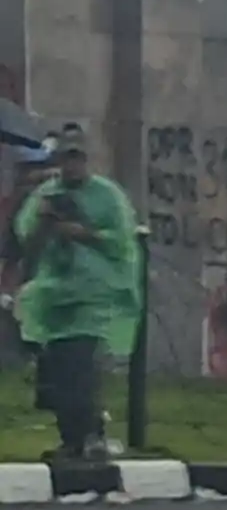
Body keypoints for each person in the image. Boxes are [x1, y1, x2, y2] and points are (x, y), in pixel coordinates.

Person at [11, 129, 140, 465]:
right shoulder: (46, 195)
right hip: (54, 296)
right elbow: (26, 240)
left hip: (95, 293)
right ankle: (70, 439)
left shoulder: (108, 195)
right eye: (65, 159)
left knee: (80, 365)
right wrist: (45, 222)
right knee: (57, 371)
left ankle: (92, 434)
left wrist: (84, 233)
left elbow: (122, 241)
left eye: (77, 159)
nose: (71, 167)